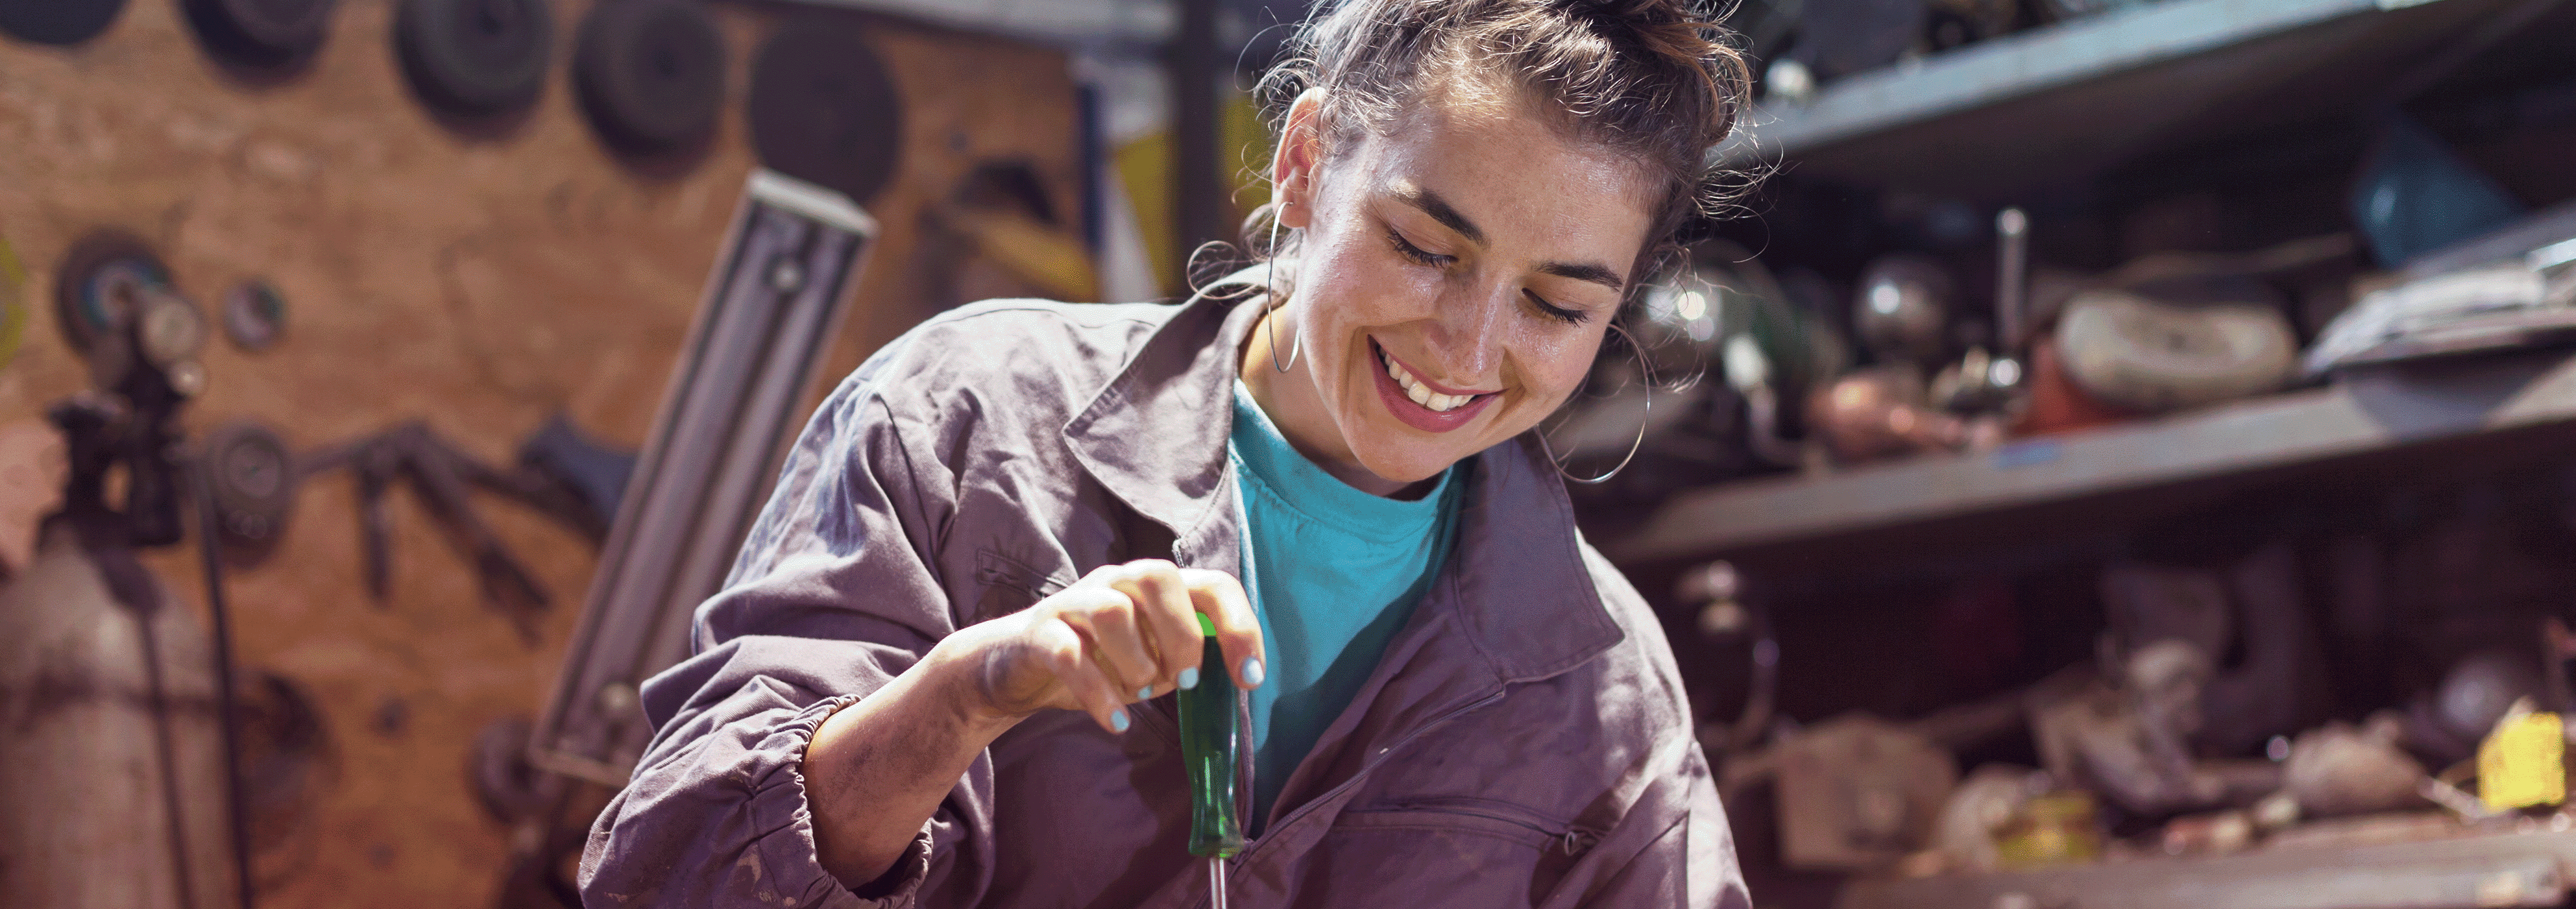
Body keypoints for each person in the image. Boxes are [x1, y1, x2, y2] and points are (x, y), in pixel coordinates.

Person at [577, 0, 1755, 905]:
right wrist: (966, 698)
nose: (1467, 343)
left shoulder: (1595, 684)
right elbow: (673, 875)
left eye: (1555, 305)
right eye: (1420, 245)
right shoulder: (967, 423)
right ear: (1302, 163)